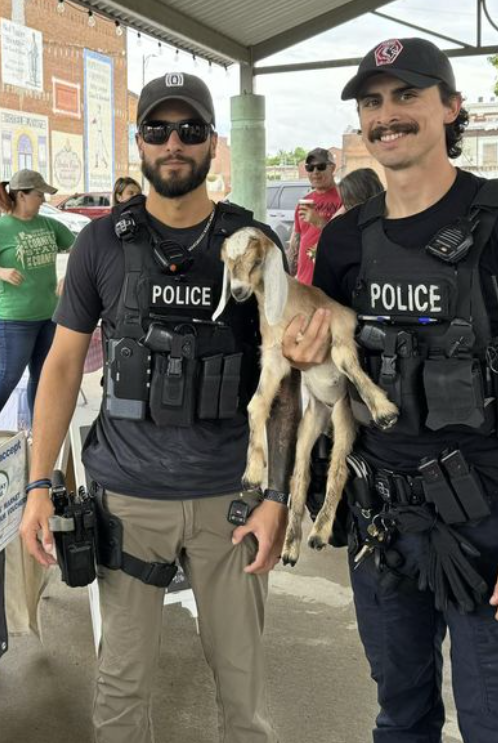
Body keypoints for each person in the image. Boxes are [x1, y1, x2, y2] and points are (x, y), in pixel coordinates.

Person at [283, 38, 498, 743]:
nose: (386, 115)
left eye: (407, 95)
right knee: (400, 716)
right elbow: (331, 383)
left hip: (492, 525)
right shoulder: (346, 241)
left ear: (451, 107)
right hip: (382, 522)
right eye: (372, 101)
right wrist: (304, 359)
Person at [20, 73, 299, 743]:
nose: (174, 143)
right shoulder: (101, 243)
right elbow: (62, 366)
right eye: (158, 129)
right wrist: (38, 484)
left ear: (212, 143)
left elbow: (284, 374)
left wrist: (279, 495)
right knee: (120, 690)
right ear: (140, 142)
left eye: (190, 130)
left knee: (243, 691)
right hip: (128, 501)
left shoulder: (253, 243)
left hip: (231, 498)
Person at [0, 170, 74, 423]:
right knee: (7, 377)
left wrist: (70, 276)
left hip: (50, 315)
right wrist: (2, 272)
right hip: (15, 319)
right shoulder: (3, 227)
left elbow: (81, 249)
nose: (43, 200)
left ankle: (37, 432)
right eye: (39, 194)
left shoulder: (49, 224)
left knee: (43, 378)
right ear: (21, 195)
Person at [288, 147, 342, 283]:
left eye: (321, 166)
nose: (315, 172)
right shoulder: (304, 202)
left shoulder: (345, 198)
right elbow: (296, 242)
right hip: (304, 282)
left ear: (332, 168)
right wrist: (289, 276)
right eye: (310, 168)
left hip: (332, 283)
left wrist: (319, 222)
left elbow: (348, 239)